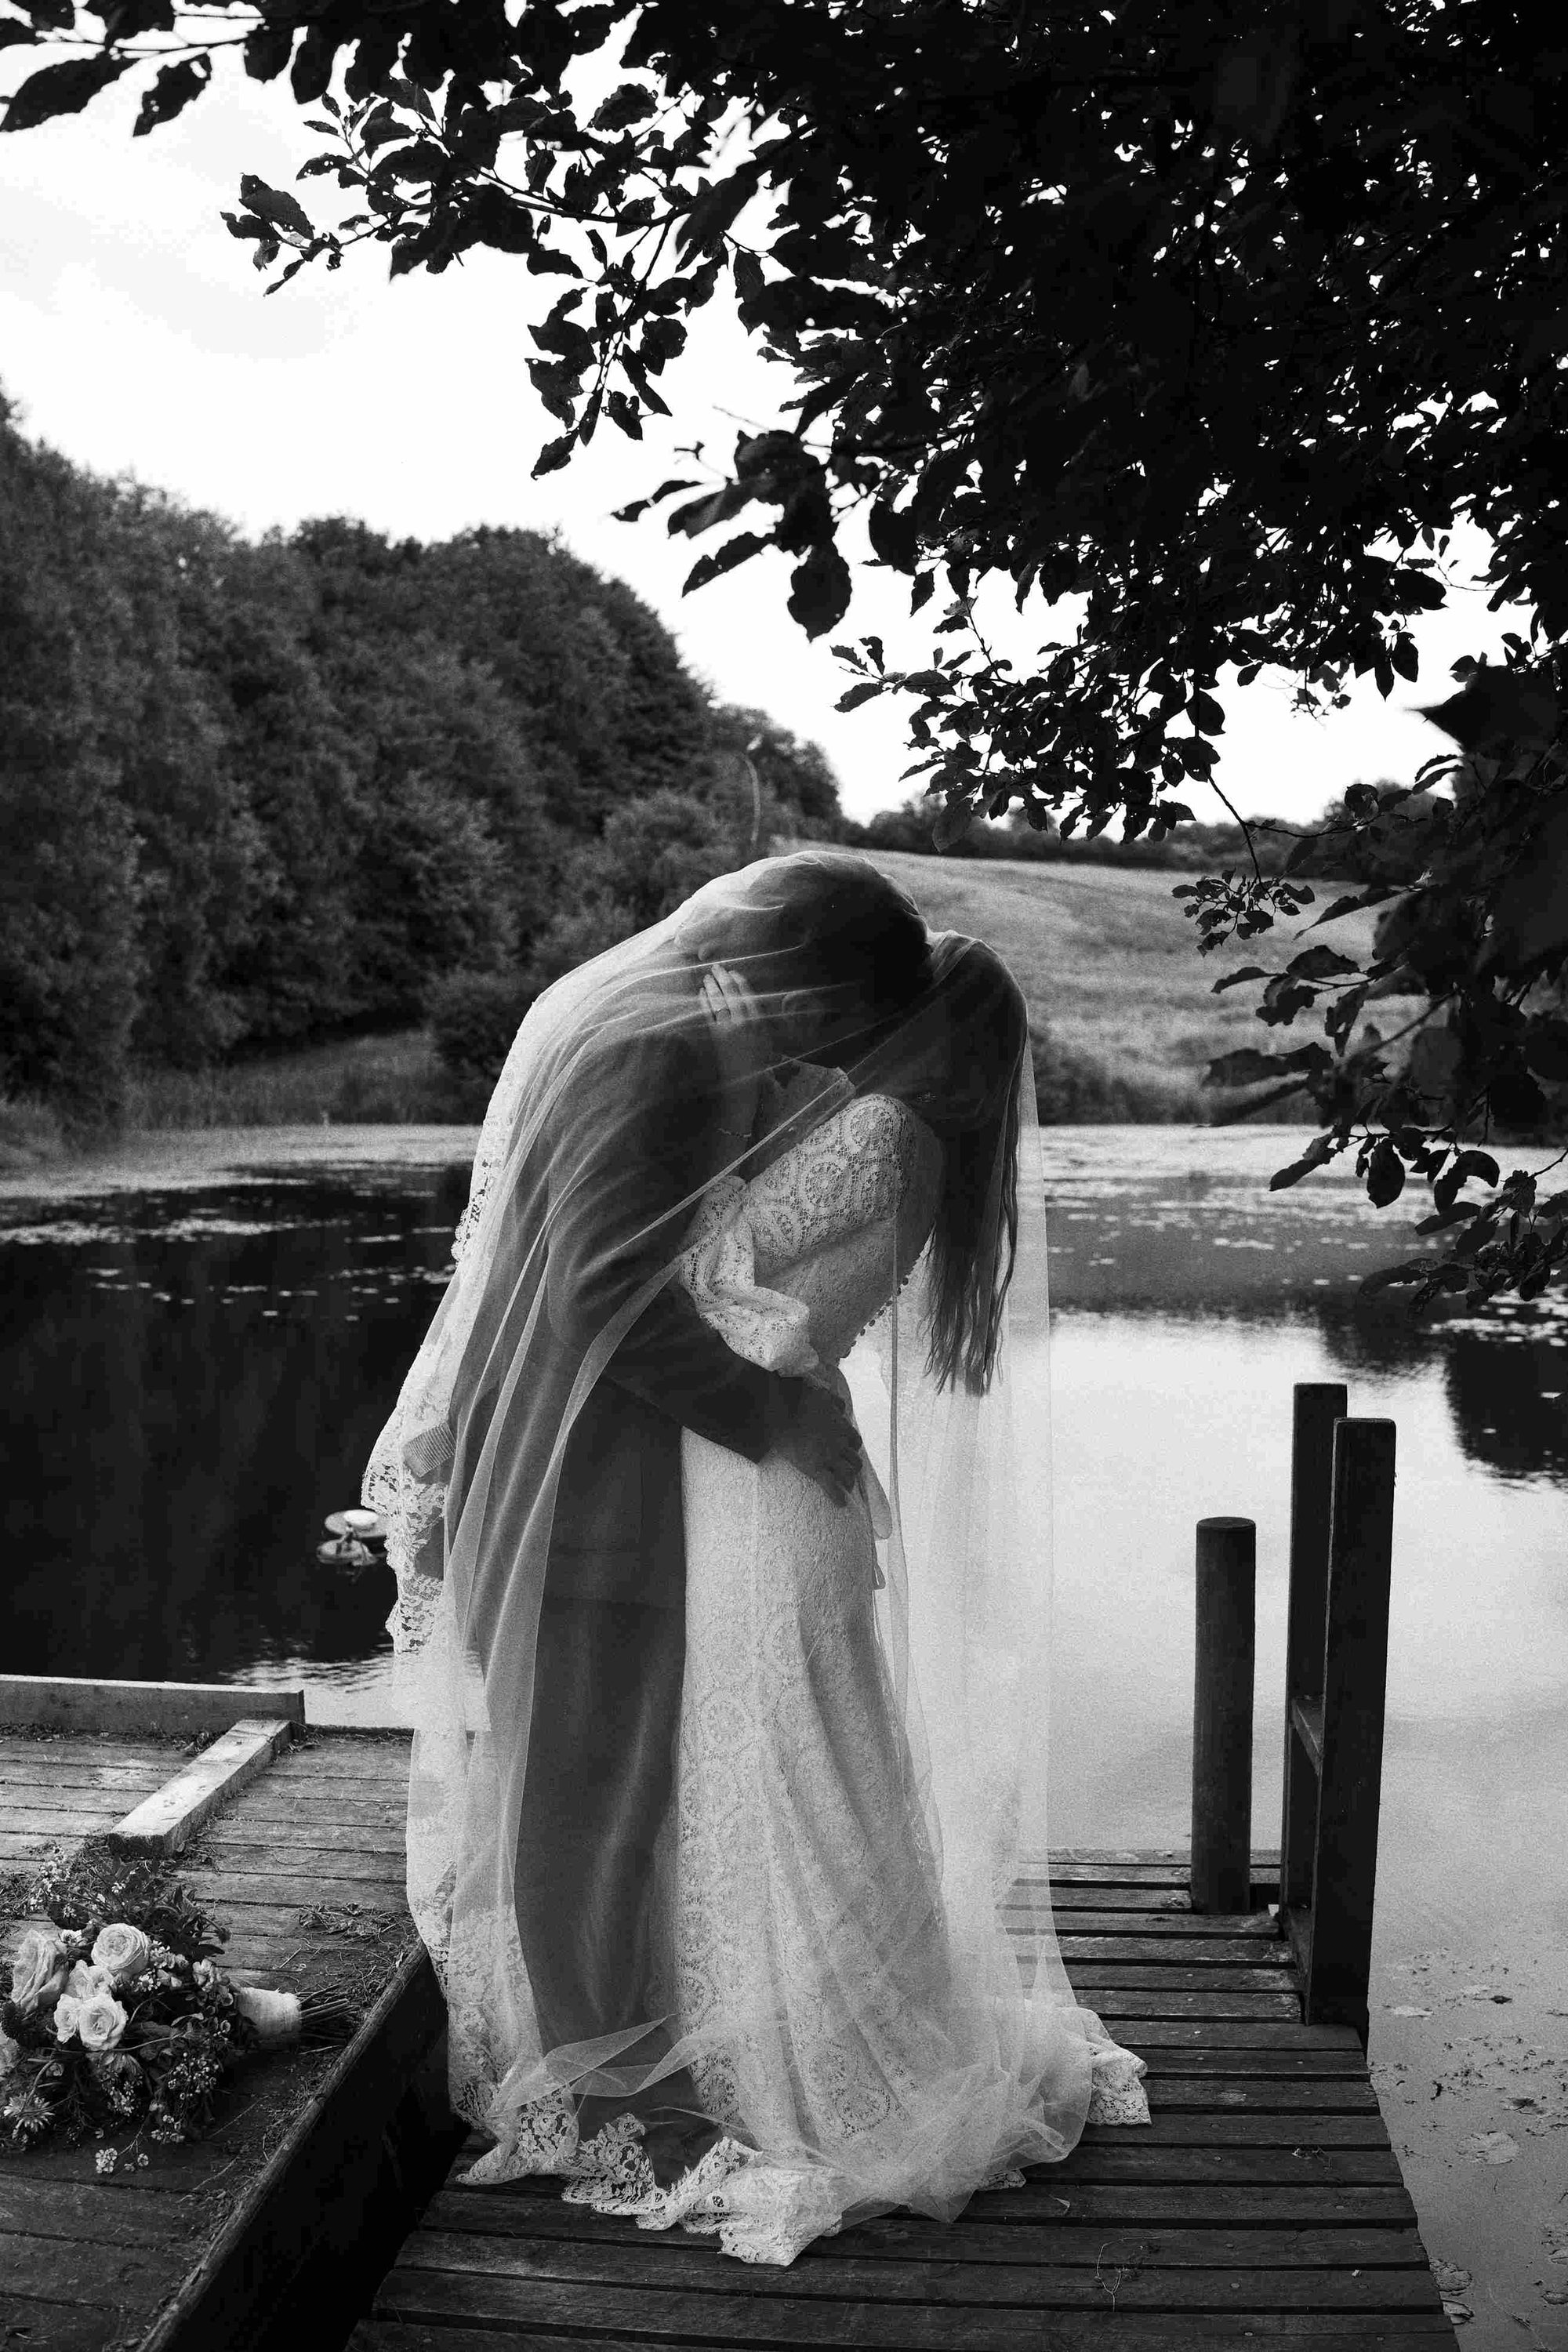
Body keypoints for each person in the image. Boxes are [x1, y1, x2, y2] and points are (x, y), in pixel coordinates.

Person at [362, 851, 938, 2180]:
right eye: (832, 1012)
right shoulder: (666, 1048)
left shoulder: (676, 1022)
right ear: (803, 968)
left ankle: (617, 2057)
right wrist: (772, 1413)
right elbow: (597, 1289)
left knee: (603, 1783)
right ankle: (598, 2096)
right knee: (585, 1794)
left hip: (598, 1469)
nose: (829, 1046)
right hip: (583, 1480)